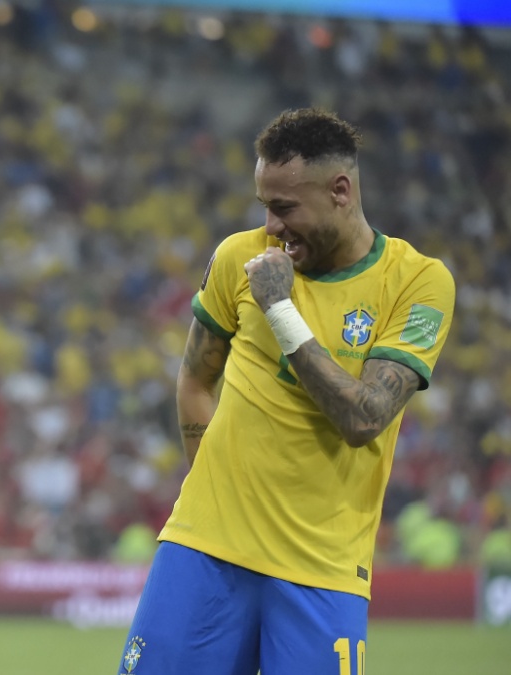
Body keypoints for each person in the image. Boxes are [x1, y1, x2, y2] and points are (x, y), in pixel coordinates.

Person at [119, 108, 455, 675]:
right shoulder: (238, 257)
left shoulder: (418, 282)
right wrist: (211, 489)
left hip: (321, 568)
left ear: (341, 191)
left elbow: (364, 418)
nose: (271, 226)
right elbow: (196, 378)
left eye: (285, 207)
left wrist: (279, 307)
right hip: (204, 551)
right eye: (264, 206)